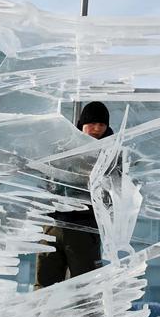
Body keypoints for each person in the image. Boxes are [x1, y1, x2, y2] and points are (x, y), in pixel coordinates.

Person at [34, 101, 113, 289]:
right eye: (92, 123)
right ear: (81, 125)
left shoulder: (110, 153)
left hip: (84, 228)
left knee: (85, 288)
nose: (96, 129)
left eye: (101, 125)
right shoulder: (63, 147)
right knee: (45, 285)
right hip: (53, 224)